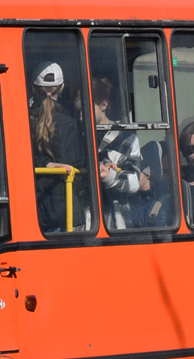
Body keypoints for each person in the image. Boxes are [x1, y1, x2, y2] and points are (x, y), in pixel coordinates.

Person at [29, 61, 88, 232]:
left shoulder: (24, 121)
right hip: (64, 213)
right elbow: (76, 167)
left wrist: (45, 164)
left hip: (36, 208)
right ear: (62, 88)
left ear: (34, 89)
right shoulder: (69, 124)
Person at [91, 78, 150, 230]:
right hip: (85, 218)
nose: (81, 117)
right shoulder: (78, 133)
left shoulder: (125, 137)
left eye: (86, 110)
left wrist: (109, 175)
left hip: (115, 219)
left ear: (104, 105)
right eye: (78, 112)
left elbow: (134, 181)